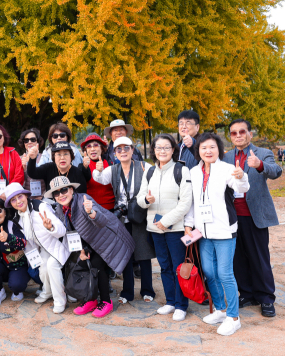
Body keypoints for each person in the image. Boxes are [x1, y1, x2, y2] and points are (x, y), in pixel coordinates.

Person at [185, 132, 249, 336]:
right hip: (203, 233)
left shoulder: (228, 169)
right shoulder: (194, 172)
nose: (208, 151)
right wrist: (188, 224)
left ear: (218, 149)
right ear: (199, 151)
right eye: (204, 147)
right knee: (209, 272)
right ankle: (220, 309)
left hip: (224, 231)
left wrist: (241, 176)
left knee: (225, 273)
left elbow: (241, 187)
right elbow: (192, 202)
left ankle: (234, 317)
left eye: (212, 147)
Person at [47, 176, 135, 318]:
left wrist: (91, 213)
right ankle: (91, 300)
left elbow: (102, 221)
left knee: (97, 266)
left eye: (64, 190)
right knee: (85, 265)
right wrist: (81, 249)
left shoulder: (83, 200)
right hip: (89, 242)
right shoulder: (60, 209)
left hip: (107, 237)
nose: (61, 195)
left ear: (71, 190)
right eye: (56, 193)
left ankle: (106, 302)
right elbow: (70, 231)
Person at [225, 119, 282, 318]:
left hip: (254, 215)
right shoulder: (226, 157)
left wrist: (259, 165)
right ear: (230, 136)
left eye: (242, 131)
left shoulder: (263, 153)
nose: (238, 135)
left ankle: (266, 298)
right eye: (234, 133)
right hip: (232, 216)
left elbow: (276, 171)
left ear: (250, 133)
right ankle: (247, 294)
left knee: (259, 258)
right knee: (238, 258)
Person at [92, 136, 156, 304]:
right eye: (118, 149)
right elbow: (99, 178)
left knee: (144, 253)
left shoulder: (144, 166)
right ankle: (127, 292)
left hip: (140, 214)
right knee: (126, 254)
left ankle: (147, 290)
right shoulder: (112, 169)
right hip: (122, 217)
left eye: (126, 148)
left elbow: (156, 180)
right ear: (115, 153)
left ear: (132, 150)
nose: (123, 151)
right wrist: (98, 169)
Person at [136, 134, 193, 321]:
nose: (162, 151)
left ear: (173, 149)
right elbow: (140, 198)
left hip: (174, 229)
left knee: (178, 267)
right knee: (164, 266)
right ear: (154, 150)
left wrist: (167, 221)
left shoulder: (181, 170)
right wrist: (146, 200)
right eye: (159, 147)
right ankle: (170, 301)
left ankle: (181, 305)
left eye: (166, 147)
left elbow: (185, 203)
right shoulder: (150, 171)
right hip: (155, 229)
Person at [7, 182, 70, 313]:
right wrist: (35, 261)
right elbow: (29, 243)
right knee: (43, 267)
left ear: (25, 195)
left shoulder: (40, 207)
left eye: (20, 196)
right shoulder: (17, 219)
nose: (18, 201)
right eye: (13, 200)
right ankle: (47, 291)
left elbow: (62, 231)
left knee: (52, 265)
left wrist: (50, 227)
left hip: (60, 243)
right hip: (44, 248)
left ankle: (60, 300)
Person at [27, 141, 91, 194]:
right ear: (53, 157)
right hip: (51, 203)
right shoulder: (49, 168)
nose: (62, 158)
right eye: (58, 154)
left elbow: (81, 195)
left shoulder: (78, 173)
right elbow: (33, 173)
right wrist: (32, 159)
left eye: (66, 154)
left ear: (71, 156)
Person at [80, 133, 115, 210]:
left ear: (102, 148)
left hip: (111, 207)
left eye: (96, 145)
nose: (92, 149)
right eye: (89, 146)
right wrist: (85, 168)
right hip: (91, 208)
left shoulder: (110, 164)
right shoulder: (81, 166)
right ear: (85, 150)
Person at [18, 128, 47, 199]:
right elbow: (18, 182)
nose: (29, 142)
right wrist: (24, 168)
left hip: (43, 197)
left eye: (33, 139)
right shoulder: (19, 159)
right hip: (26, 198)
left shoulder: (44, 157)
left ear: (38, 141)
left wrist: (43, 196)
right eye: (26, 140)